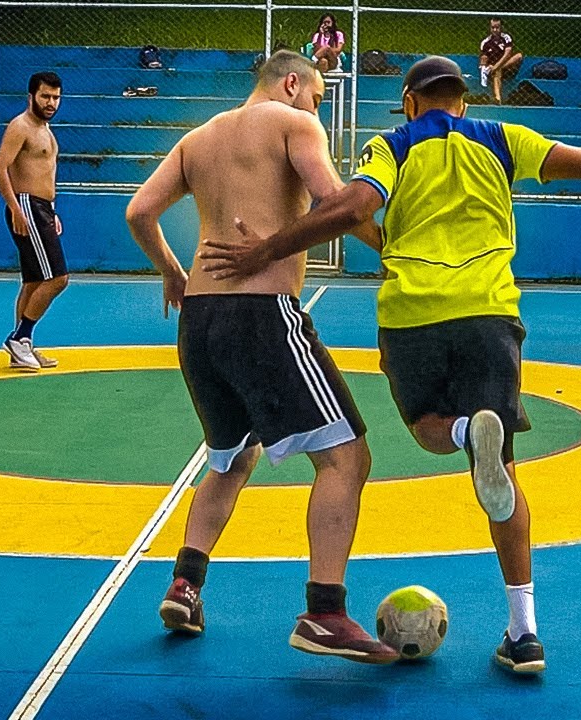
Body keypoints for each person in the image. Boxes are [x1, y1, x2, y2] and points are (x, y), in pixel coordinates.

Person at [198, 56, 581, 675]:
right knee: (503, 474)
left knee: (425, 425)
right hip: (489, 316)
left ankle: (456, 433)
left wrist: (264, 249)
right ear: (465, 102)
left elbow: (347, 209)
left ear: (409, 102)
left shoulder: (390, 147)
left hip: (413, 315)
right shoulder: (504, 139)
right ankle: (523, 633)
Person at [124, 50, 395, 665]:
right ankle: (325, 611)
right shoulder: (293, 123)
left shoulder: (197, 139)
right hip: (262, 312)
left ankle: (185, 584)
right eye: (319, 97)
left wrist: (173, 272)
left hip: (200, 321)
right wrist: (387, 243)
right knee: (347, 459)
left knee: (230, 459)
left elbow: (139, 211)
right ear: (292, 83)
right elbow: (332, 200)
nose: (318, 108)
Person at [0, 71, 68, 371]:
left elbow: (43, 172)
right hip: (27, 206)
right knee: (58, 278)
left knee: (34, 280)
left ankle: (22, 348)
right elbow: (1, 170)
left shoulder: (46, 130)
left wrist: (52, 209)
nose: (51, 103)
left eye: (55, 97)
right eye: (45, 96)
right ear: (31, 96)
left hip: (42, 208)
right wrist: (15, 208)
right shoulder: (20, 126)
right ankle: (20, 337)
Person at [479, 18, 523, 104]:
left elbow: (508, 53)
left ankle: (498, 68)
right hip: (494, 71)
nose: (495, 30)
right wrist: (486, 68)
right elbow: (483, 59)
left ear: (501, 27)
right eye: (492, 27)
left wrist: (497, 66)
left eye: (497, 27)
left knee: (519, 56)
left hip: (508, 67)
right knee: (497, 72)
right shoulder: (485, 42)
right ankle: (498, 99)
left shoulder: (506, 38)